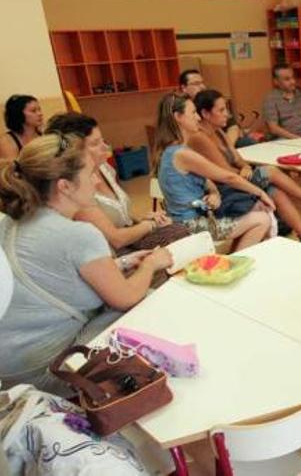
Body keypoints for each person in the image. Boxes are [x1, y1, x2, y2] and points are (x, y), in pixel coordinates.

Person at [0, 133, 173, 395]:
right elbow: (124, 298)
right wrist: (151, 265)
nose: (96, 180)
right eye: (91, 172)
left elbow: (58, 278)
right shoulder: (78, 234)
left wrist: (123, 262)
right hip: (48, 372)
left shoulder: (12, 222)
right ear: (64, 186)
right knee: (143, 301)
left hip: (11, 372)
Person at [191, 89, 301, 250]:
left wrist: (246, 167)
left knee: (275, 190)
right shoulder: (199, 138)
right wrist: (243, 172)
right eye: (221, 110)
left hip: (236, 179)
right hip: (222, 190)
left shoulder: (218, 131)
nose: (227, 114)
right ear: (205, 113)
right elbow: (225, 173)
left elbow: (237, 158)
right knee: (269, 171)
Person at [45, 112, 190, 254]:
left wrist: (144, 220)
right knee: (181, 234)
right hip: (117, 253)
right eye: (95, 143)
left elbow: (121, 216)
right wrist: (150, 225)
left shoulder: (104, 169)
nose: (105, 147)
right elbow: (116, 239)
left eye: (102, 140)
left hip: (129, 239)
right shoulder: (78, 190)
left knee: (181, 229)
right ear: (74, 152)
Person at [152, 93, 274, 251]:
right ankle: (235, 264)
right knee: (262, 219)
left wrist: (215, 193)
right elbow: (228, 176)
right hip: (191, 225)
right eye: (193, 113)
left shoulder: (171, 150)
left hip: (190, 217)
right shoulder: (182, 154)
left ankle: (234, 258)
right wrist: (260, 192)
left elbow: (207, 181)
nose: (197, 118)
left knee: (255, 211)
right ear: (178, 117)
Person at [179, 69, 251, 148]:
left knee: (246, 141)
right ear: (184, 88)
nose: (202, 87)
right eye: (196, 84)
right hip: (201, 144)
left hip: (223, 142)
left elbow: (233, 126)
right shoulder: (183, 107)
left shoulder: (211, 99)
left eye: (202, 83)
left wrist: (227, 147)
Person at [1, 95, 43, 159]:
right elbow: (11, 168)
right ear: (19, 114)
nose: (40, 114)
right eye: (33, 111)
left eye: (39, 109)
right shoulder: (6, 141)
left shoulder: (44, 135)